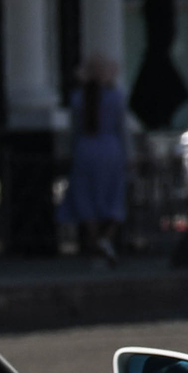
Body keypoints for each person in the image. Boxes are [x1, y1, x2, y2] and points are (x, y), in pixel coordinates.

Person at [59, 54, 129, 265]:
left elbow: (74, 131)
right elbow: (122, 129)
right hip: (110, 150)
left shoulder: (78, 98)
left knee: (86, 199)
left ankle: (97, 245)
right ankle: (105, 241)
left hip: (85, 150)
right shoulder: (116, 97)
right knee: (113, 197)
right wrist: (129, 155)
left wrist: (70, 153)